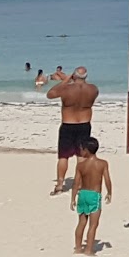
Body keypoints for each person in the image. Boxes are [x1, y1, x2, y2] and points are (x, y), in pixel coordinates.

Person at [47, 66, 98, 196]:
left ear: (74, 76)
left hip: (68, 124)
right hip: (84, 123)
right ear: (86, 76)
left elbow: (50, 94)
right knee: (81, 156)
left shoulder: (66, 89)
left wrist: (65, 80)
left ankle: (59, 185)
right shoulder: (93, 89)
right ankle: (80, 183)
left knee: (63, 157)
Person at [69, 136, 112, 256]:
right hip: (94, 195)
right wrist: (109, 192)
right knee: (93, 225)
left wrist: (73, 198)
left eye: (81, 149)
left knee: (81, 223)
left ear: (86, 150)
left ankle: (78, 248)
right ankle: (88, 250)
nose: (80, 151)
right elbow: (107, 179)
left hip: (82, 194)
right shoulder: (102, 164)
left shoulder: (81, 165)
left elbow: (76, 183)